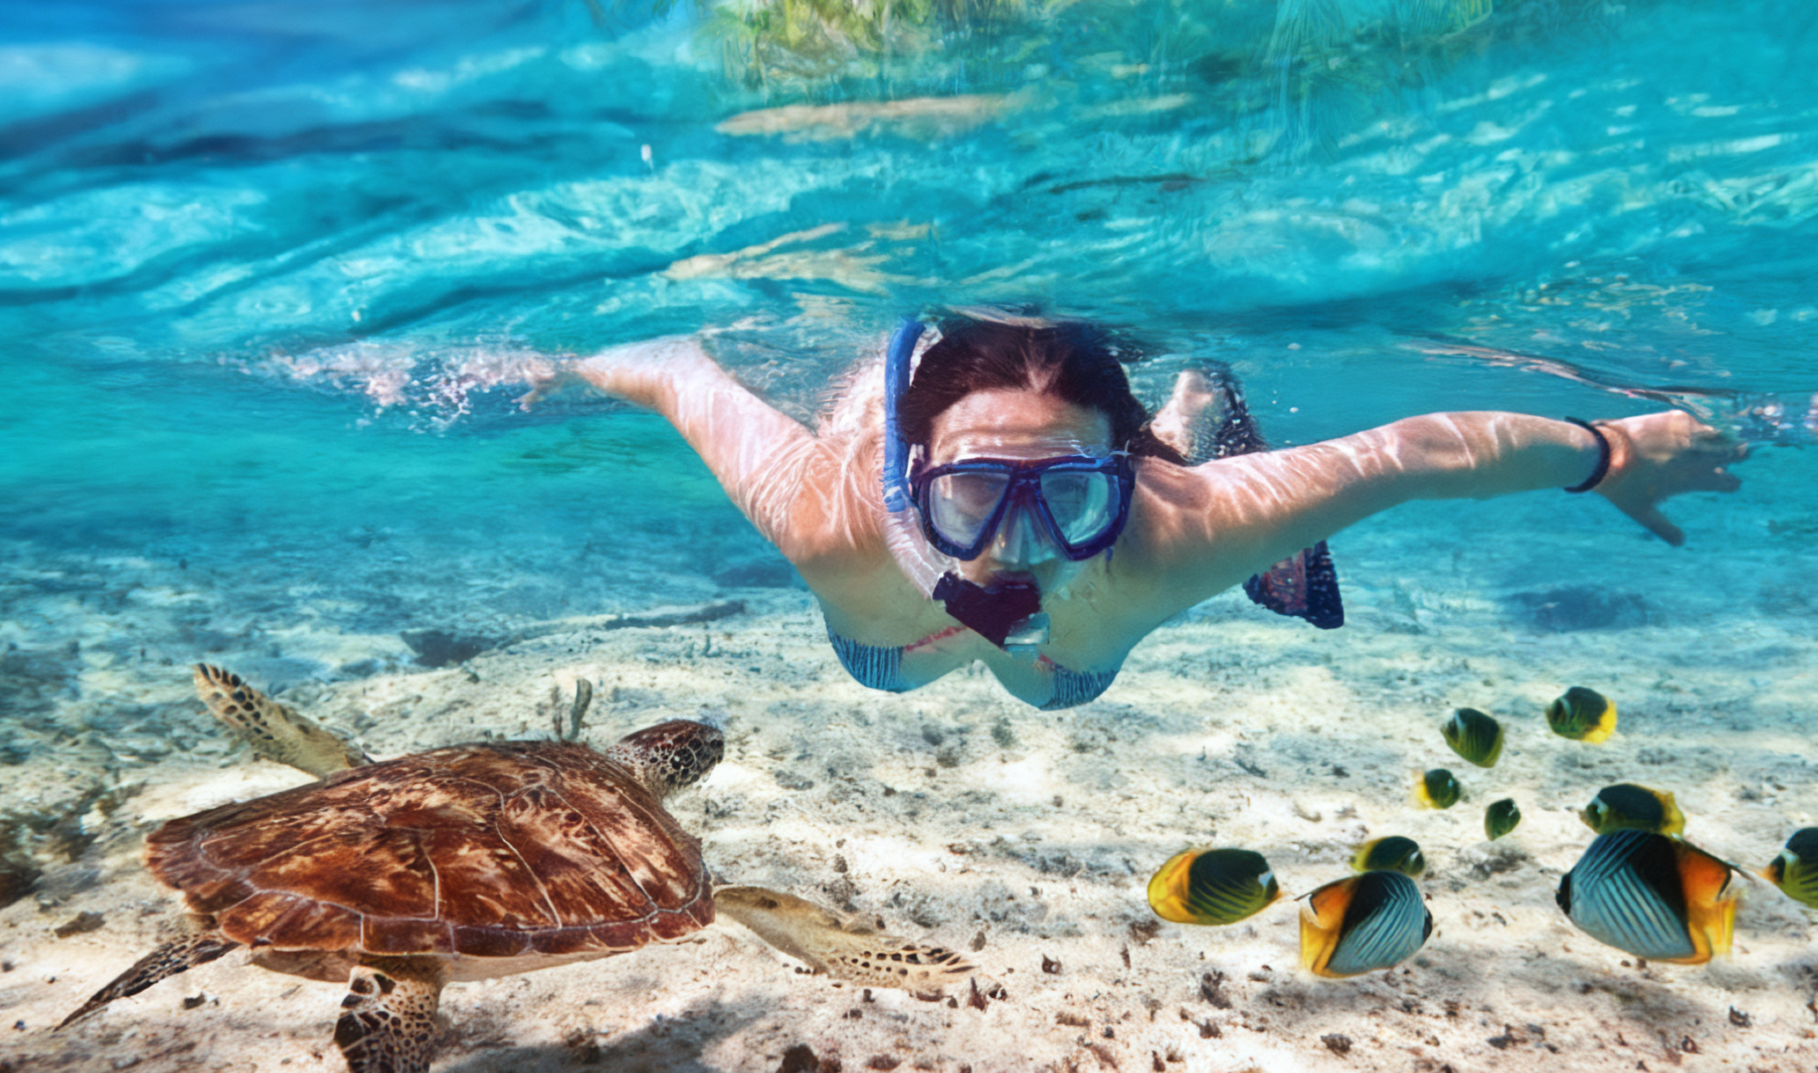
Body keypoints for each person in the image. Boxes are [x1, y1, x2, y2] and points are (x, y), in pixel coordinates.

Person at [542, 315, 1746, 710]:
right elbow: (674, 367)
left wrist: (1609, 451)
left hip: (1068, 659)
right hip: (891, 643)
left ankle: (1187, 411)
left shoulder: (1173, 531)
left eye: (1069, 493)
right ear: (912, 483)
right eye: (968, 490)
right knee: (903, 652)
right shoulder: (829, 516)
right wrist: (567, 359)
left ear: (1121, 477)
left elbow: (1411, 456)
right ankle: (885, 391)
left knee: (1037, 682)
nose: (1015, 545)